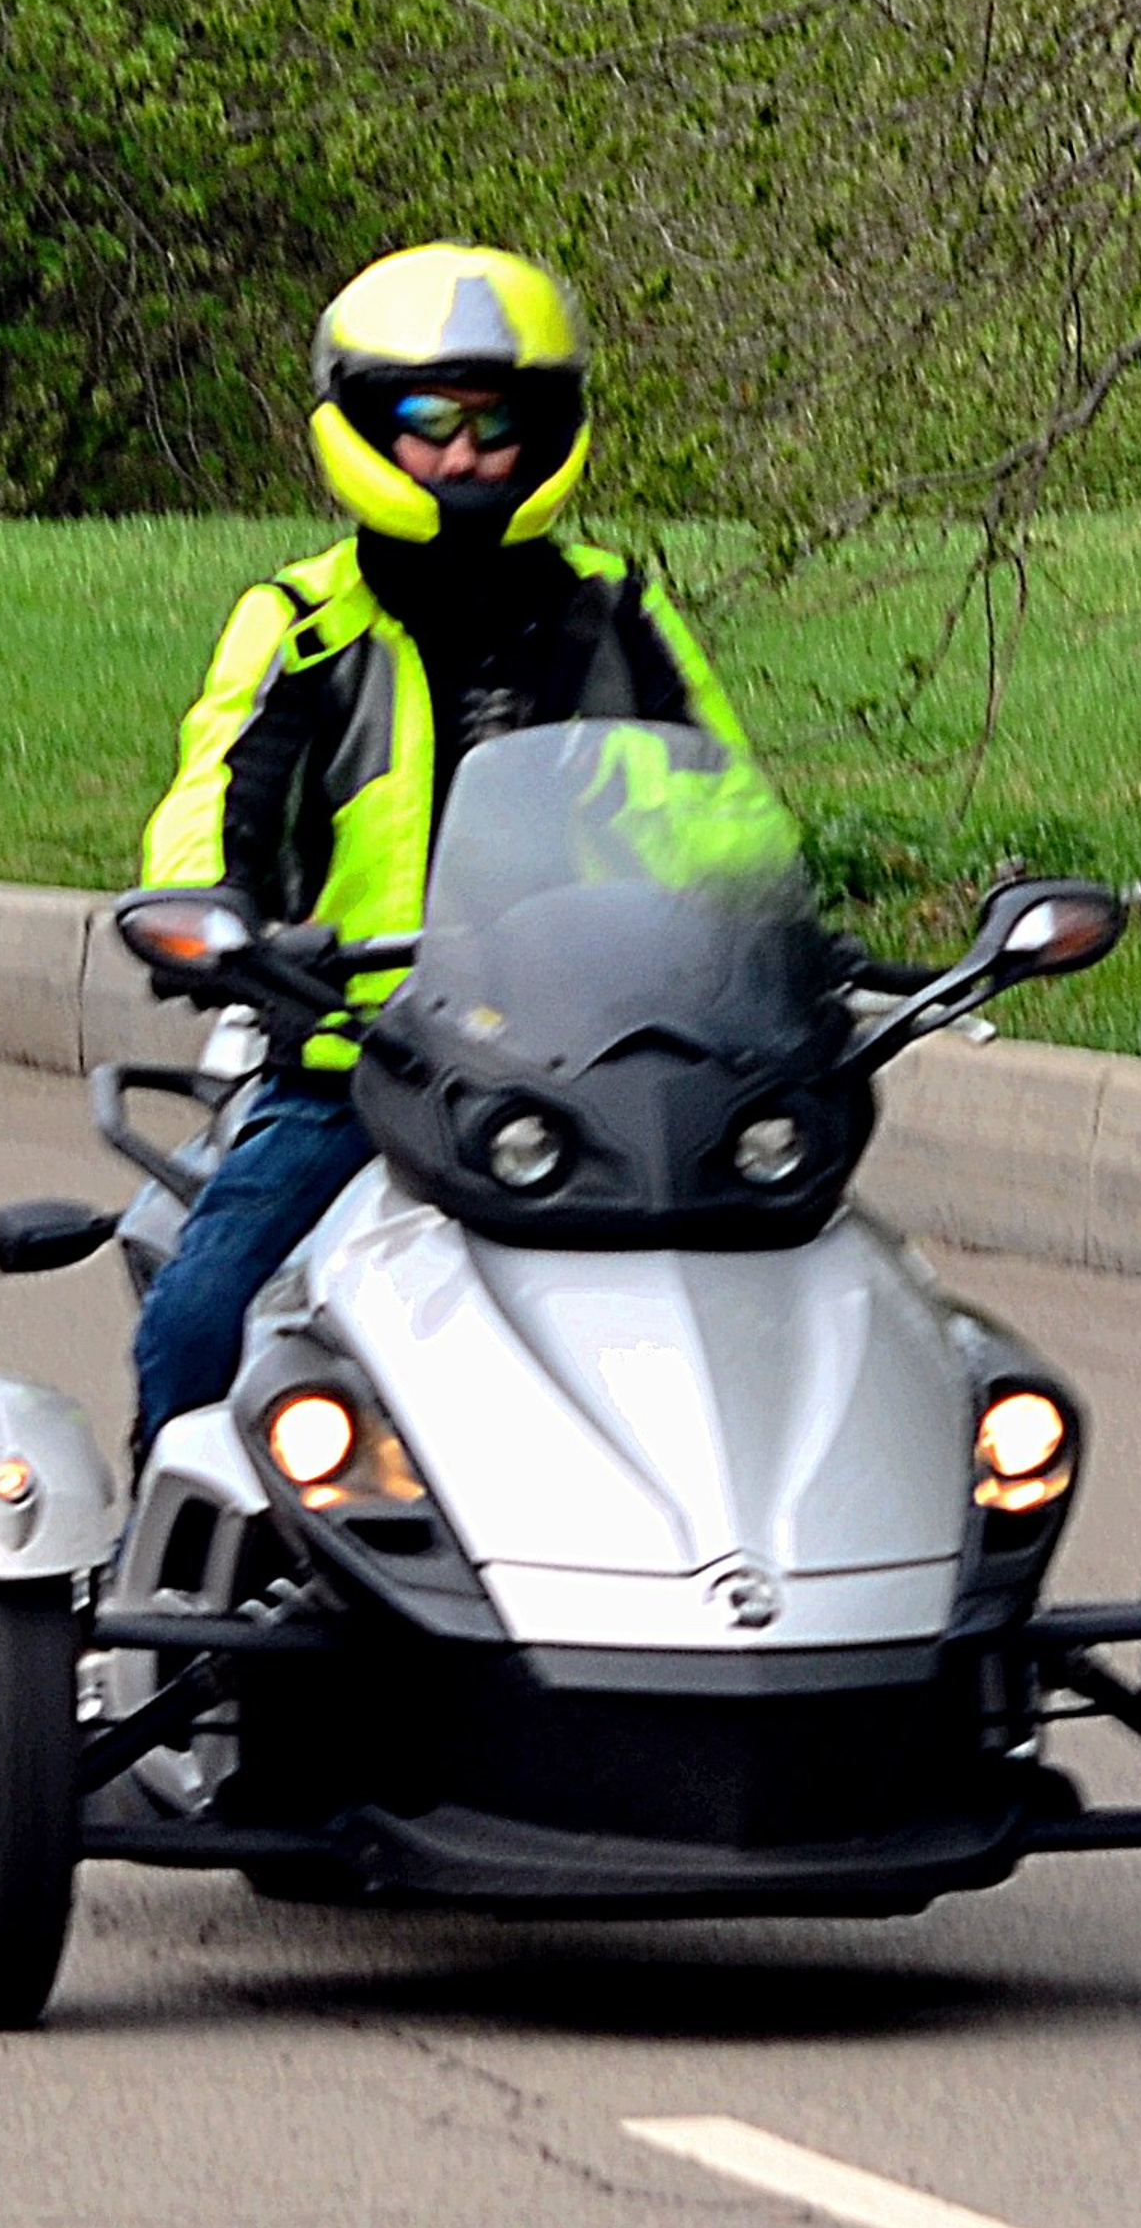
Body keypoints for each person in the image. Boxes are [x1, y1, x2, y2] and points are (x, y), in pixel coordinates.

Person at [128, 242, 748, 1457]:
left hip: (599, 1066)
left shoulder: (613, 612)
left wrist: (772, 923)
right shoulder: (301, 624)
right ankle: (172, 1633)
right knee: (196, 1319)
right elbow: (214, 789)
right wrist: (212, 909)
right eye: (426, 419)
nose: (462, 455)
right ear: (367, 424)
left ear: (544, 432)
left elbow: (718, 800)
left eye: (494, 423)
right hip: (358, 1062)